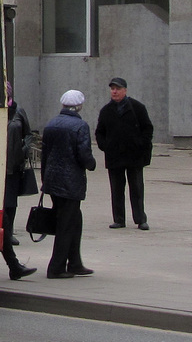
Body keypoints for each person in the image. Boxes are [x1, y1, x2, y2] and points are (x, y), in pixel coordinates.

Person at [40, 89, 97, 279]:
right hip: (71, 182)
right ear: (79, 106)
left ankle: (75, 263)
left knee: (74, 221)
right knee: (66, 224)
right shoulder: (80, 126)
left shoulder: (51, 124)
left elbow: (45, 155)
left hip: (53, 180)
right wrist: (92, 164)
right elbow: (84, 154)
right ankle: (56, 267)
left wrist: (44, 179)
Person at [95, 76, 153, 230]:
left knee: (137, 188)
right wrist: (105, 146)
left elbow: (147, 128)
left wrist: (141, 144)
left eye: (118, 89)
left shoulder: (137, 108)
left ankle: (141, 219)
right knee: (116, 189)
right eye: (112, 89)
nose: (114, 92)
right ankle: (119, 219)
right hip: (115, 157)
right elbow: (99, 132)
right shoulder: (106, 111)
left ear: (125, 90)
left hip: (134, 156)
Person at [1, 81, 38, 280]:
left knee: (10, 204)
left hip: (13, 166)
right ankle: (14, 265)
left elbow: (28, 135)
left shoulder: (18, 112)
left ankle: (9, 235)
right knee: (2, 211)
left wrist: (23, 151)